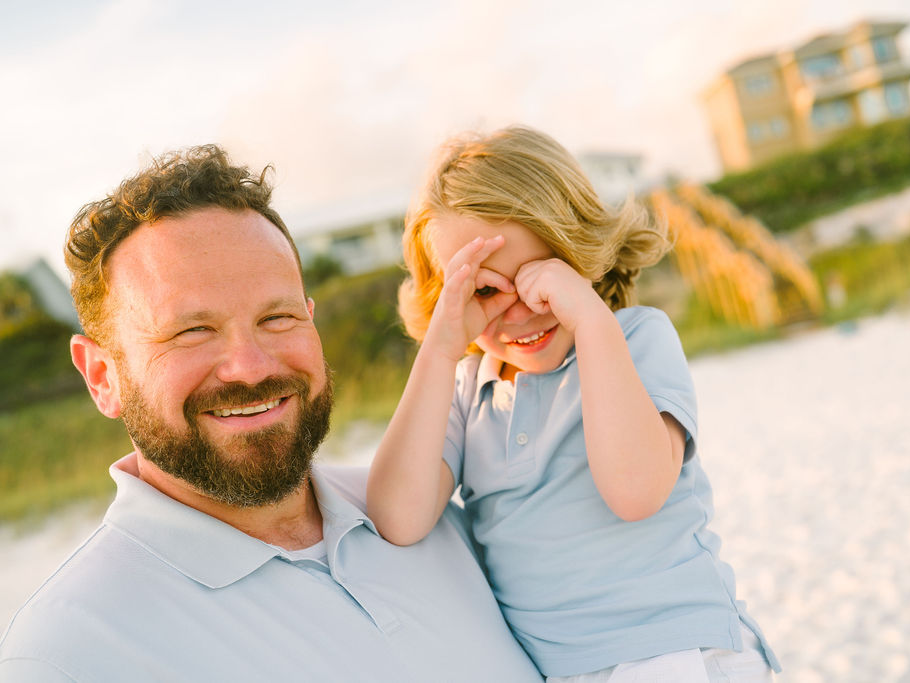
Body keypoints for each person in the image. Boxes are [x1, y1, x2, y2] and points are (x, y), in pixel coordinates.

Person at [0, 145, 542, 682]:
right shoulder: (66, 655)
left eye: (277, 317)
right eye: (193, 331)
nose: (250, 367)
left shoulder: (436, 516)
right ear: (101, 376)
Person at [366, 126, 782, 681]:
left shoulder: (634, 339)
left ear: (581, 253)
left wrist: (588, 317)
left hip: (676, 653)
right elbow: (398, 516)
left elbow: (635, 492)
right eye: (486, 291)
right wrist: (440, 353)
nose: (523, 309)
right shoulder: (466, 389)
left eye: (544, 275)